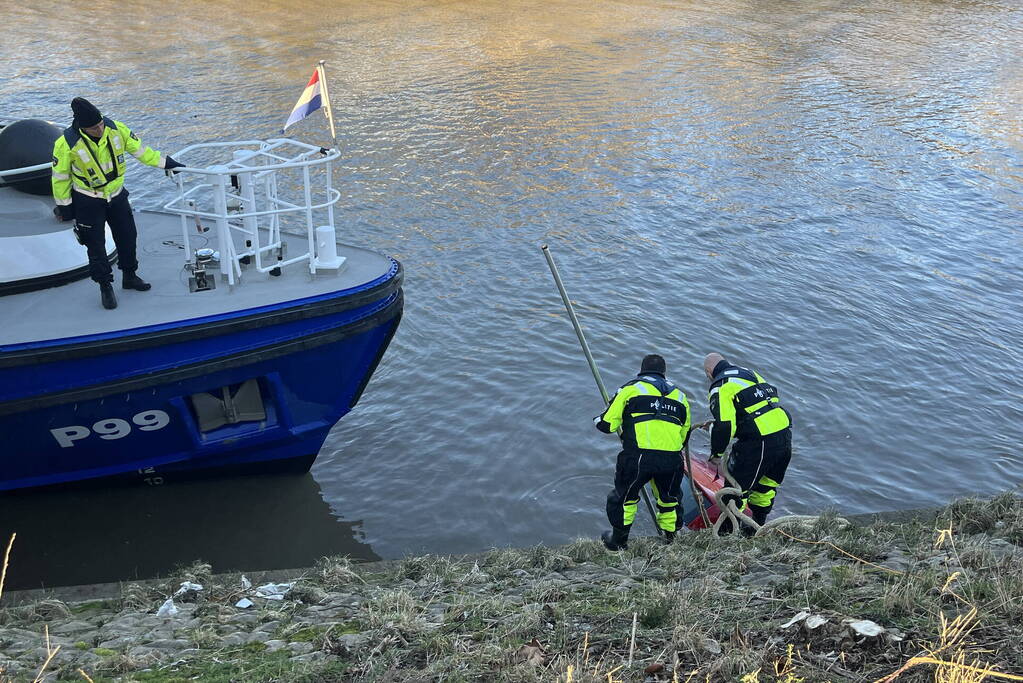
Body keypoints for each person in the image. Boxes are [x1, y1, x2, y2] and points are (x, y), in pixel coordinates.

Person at [51, 97, 185, 310]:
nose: (100, 128)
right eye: (94, 127)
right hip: (88, 199)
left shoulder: (116, 129)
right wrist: (65, 207)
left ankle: (130, 276)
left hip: (116, 194)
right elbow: (60, 178)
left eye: (101, 123)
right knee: (95, 246)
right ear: (83, 127)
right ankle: (105, 287)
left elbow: (141, 151)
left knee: (128, 236)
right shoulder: (66, 144)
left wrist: (166, 163)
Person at [594, 354, 691, 550]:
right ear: (663, 373)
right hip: (672, 459)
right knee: (669, 500)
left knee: (625, 498)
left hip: (639, 457)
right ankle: (670, 539)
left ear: (642, 370)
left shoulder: (631, 389)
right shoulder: (681, 397)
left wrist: (598, 419)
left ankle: (618, 542)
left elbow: (606, 425)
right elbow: (684, 436)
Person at [703, 352, 792, 530]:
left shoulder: (720, 385)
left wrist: (716, 454)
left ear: (709, 372)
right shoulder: (748, 373)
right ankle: (757, 527)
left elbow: (726, 426)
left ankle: (727, 533)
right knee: (765, 487)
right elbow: (757, 406)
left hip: (759, 442)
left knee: (736, 490)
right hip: (783, 434)